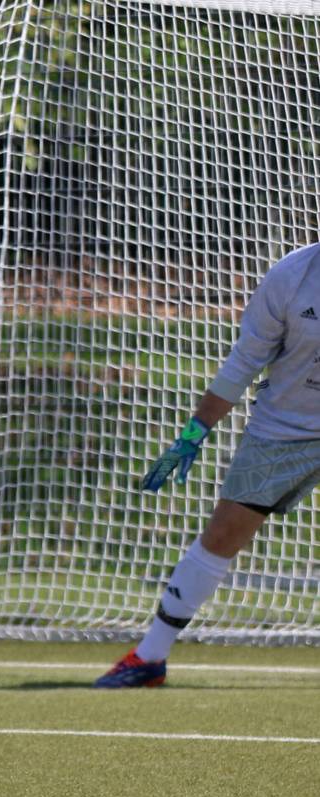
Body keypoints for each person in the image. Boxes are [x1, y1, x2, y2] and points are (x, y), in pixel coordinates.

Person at [95, 242, 320, 687]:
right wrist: (193, 433)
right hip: (287, 428)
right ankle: (149, 657)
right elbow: (244, 361)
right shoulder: (291, 276)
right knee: (222, 534)